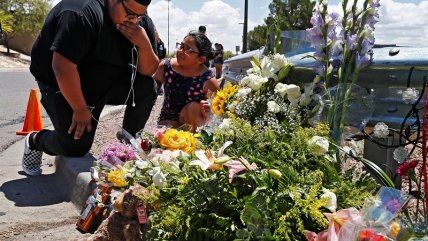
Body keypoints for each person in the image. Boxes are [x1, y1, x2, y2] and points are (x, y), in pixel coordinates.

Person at [22, 0, 159, 176]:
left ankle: (127, 144)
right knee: (75, 146)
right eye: (130, 14)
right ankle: (35, 140)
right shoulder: (81, 11)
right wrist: (80, 109)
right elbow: (62, 67)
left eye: (140, 16)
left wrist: (144, 44)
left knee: (147, 87)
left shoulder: (140, 22)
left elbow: (148, 71)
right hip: (62, 82)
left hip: (103, 80)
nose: (134, 21)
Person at [153, 31, 219, 131]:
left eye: (188, 49)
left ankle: (195, 143)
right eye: (181, 46)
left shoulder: (208, 81)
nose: (180, 51)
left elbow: (217, 115)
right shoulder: (165, 67)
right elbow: (150, 90)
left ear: (201, 59)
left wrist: (209, 110)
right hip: (168, 122)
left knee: (193, 108)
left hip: (193, 126)